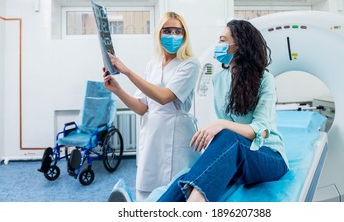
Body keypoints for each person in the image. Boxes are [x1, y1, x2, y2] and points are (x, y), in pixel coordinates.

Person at [108, 19, 289, 202]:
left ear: (240, 45)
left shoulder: (265, 79)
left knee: (225, 137)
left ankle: (195, 203)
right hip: (237, 155)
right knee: (190, 174)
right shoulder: (220, 79)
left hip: (266, 155)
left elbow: (262, 130)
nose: (218, 45)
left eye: (223, 40)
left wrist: (221, 125)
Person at [103, 12, 201, 201]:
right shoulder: (153, 65)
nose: (173, 35)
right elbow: (142, 107)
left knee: (175, 192)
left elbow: (165, 97)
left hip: (178, 134)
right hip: (152, 134)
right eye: (168, 30)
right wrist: (117, 89)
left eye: (177, 31)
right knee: (147, 188)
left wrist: (128, 72)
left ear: (184, 35)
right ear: (159, 33)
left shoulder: (190, 64)